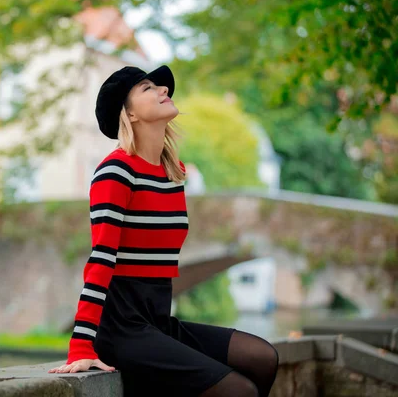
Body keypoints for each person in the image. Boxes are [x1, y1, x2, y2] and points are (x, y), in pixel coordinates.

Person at [48, 65, 279, 396]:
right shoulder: (115, 172)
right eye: (147, 88)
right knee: (239, 391)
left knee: (263, 357)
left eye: (161, 87)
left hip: (157, 320)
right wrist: (82, 346)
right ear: (129, 113)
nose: (163, 90)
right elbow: (100, 259)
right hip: (121, 330)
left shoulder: (172, 173)